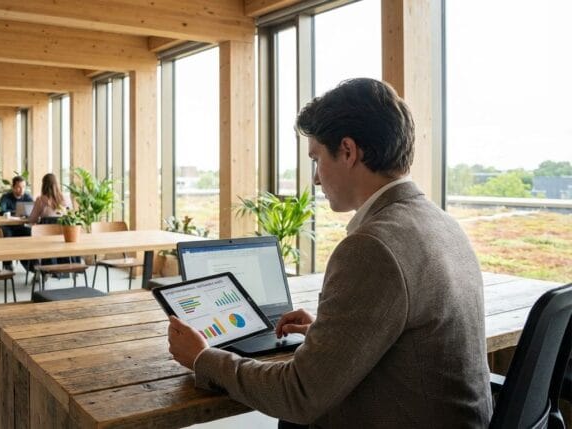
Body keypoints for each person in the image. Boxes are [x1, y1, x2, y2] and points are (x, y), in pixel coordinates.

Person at [167, 78, 492, 427]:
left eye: (316, 158)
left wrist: (203, 358)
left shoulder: (372, 247)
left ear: (348, 151)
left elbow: (298, 394)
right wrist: (329, 335)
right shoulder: (442, 223)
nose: (316, 179)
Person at [0, 176, 33, 270]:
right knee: (6, 234)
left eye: (24, 187)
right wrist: (17, 212)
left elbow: (32, 210)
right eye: (19, 187)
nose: (22, 190)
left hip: (20, 226)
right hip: (7, 226)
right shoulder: (6, 197)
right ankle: (7, 263)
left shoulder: (27, 196)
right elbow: (1, 211)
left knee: (30, 233)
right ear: (13, 187)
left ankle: (32, 265)